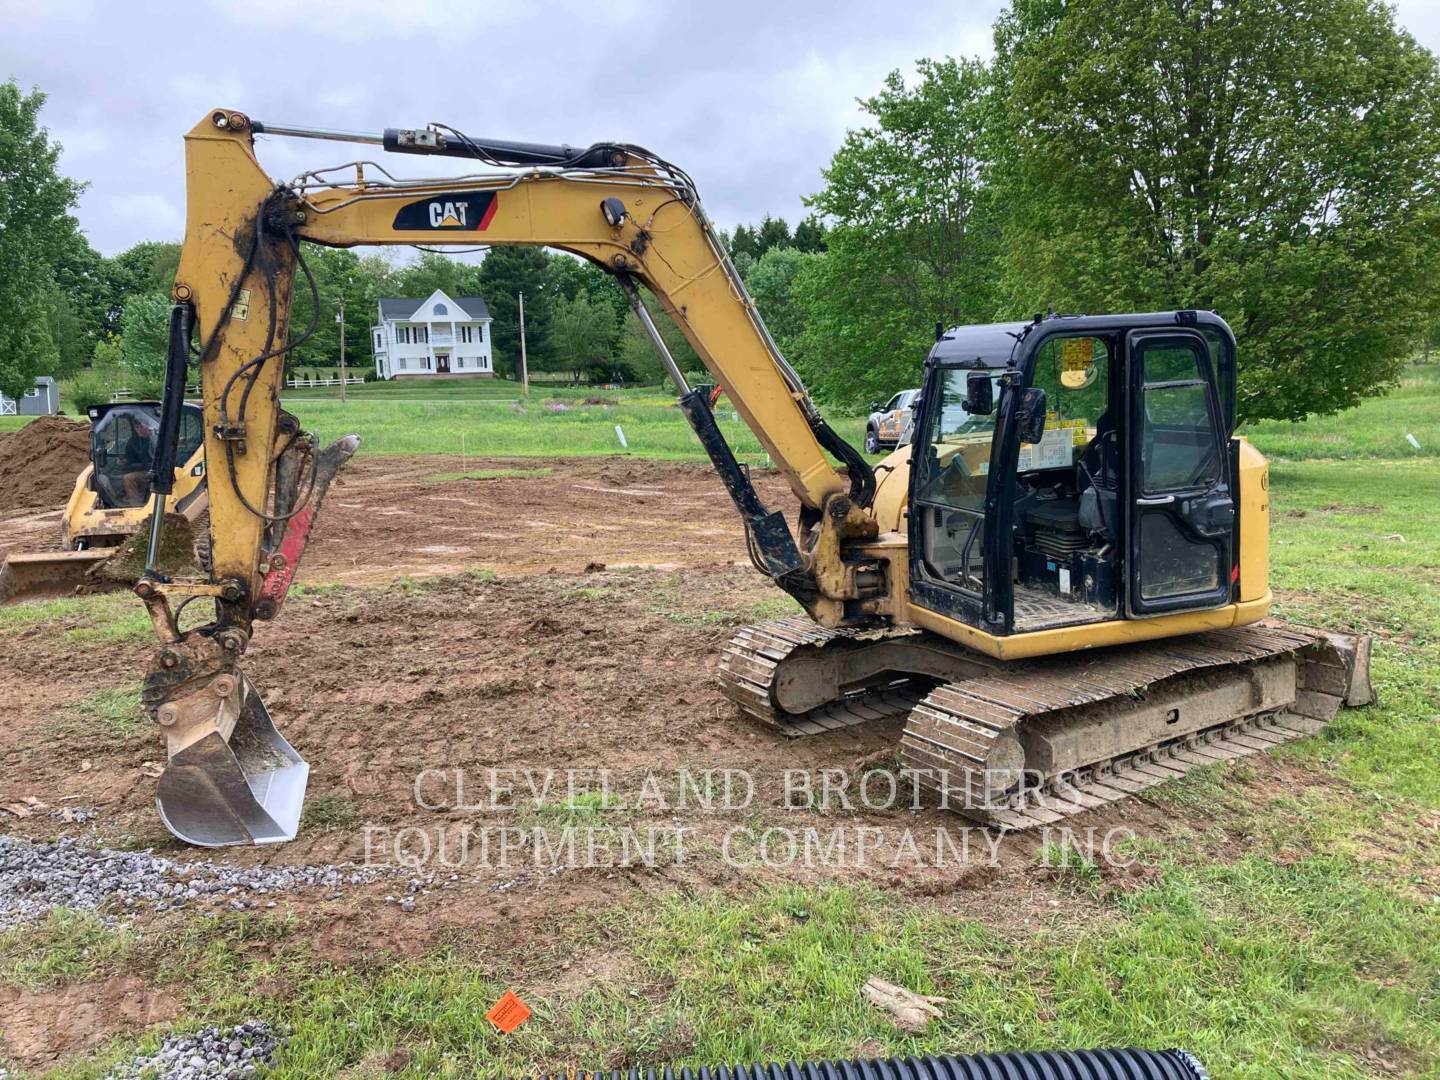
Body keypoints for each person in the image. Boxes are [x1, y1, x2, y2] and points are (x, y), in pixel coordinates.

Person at [120, 416, 158, 505]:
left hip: (155, 471)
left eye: (141, 426)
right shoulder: (133, 441)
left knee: (128, 478)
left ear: (148, 426)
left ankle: (136, 505)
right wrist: (124, 460)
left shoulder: (155, 439)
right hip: (139, 470)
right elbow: (129, 457)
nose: (139, 430)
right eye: (137, 427)